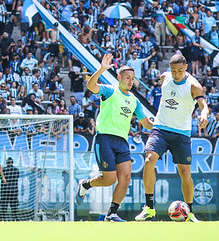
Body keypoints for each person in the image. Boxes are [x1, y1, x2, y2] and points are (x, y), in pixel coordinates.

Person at [76, 54, 153, 222]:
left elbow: (146, 123)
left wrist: (161, 126)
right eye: (127, 77)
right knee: (109, 179)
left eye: (132, 78)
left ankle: (111, 214)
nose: (130, 81)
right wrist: (102, 69)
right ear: (119, 78)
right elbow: (90, 86)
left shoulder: (134, 100)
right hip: (104, 139)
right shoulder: (110, 90)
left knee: (125, 178)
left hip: (122, 142)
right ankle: (85, 185)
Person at [136, 54, 209, 222]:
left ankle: (189, 212)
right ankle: (149, 208)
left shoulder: (194, 86)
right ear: (170, 69)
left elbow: (203, 106)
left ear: (186, 69)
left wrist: (204, 115)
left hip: (182, 132)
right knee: (149, 160)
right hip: (160, 128)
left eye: (180, 71)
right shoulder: (165, 77)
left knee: (185, 173)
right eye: (174, 71)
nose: (176, 74)